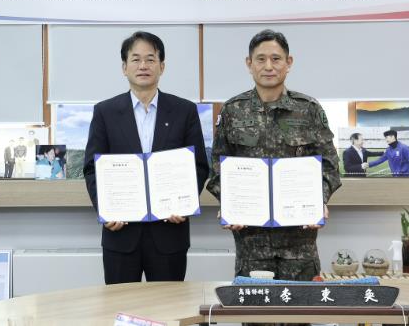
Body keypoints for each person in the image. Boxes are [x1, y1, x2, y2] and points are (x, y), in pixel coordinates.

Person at [207, 30, 341, 291]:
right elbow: (218, 168)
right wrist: (229, 203)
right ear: (249, 64)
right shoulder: (233, 111)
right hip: (251, 241)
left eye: (276, 59)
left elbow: (329, 164)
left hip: (299, 242)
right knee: (255, 309)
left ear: (288, 63)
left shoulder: (309, 109)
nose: (268, 66)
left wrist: (319, 199)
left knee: (301, 309)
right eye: (261, 59)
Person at [83, 31, 209, 285]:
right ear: (124, 67)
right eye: (136, 59)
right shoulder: (105, 112)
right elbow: (92, 168)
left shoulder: (184, 110)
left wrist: (183, 204)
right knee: (120, 305)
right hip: (121, 234)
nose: (143, 66)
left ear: (162, 66)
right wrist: (106, 211)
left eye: (150, 59)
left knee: (169, 305)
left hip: (169, 233)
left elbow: (198, 165)